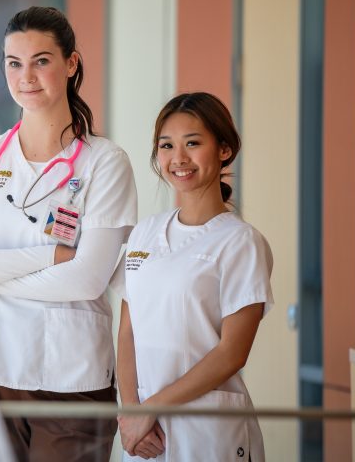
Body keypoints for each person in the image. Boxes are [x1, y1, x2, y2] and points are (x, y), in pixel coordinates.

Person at [0, 6, 138, 461]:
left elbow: (87, 279)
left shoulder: (104, 162)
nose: (26, 76)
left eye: (41, 60)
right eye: (14, 62)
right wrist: (51, 257)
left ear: (72, 64)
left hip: (70, 373)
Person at [116, 92, 274, 460]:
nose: (179, 158)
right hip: (145, 435)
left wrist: (151, 407)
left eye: (193, 143)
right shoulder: (144, 233)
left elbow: (232, 353)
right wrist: (131, 411)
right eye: (166, 145)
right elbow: (128, 331)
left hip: (207, 431)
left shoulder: (240, 241)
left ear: (223, 149)